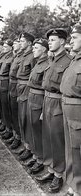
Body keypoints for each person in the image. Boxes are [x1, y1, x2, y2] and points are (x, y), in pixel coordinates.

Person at [35, 28, 72, 193]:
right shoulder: (52, 60)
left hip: (58, 102)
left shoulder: (69, 61)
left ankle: (58, 175)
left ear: (62, 41)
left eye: (52, 40)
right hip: (47, 100)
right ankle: (50, 170)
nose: (49, 42)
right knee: (47, 138)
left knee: (57, 141)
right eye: (48, 40)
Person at [60, 23, 81, 196]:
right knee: (71, 150)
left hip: (78, 111)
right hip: (68, 107)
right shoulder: (75, 59)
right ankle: (74, 184)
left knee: (78, 150)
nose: (71, 40)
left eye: (74, 37)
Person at [26, 38, 49, 174]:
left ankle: (41, 160)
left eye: (36, 48)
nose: (33, 50)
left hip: (39, 99)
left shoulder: (47, 64)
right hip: (32, 97)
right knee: (32, 129)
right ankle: (36, 156)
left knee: (39, 132)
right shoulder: (37, 63)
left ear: (44, 50)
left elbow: (47, 89)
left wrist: (44, 108)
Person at [16, 32, 35, 161]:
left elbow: (33, 77)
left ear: (29, 43)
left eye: (22, 41)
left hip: (27, 90)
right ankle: (25, 144)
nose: (20, 43)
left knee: (26, 120)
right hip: (20, 87)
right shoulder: (23, 56)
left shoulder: (33, 56)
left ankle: (29, 148)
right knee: (21, 119)